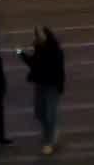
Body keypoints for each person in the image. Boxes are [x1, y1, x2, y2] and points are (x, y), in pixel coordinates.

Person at [20, 27, 65, 155]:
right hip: (40, 85)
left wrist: (60, 86)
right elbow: (33, 63)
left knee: (50, 114)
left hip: (52, 86)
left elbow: (60, 70)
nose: (35, 39)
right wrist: (21, 53)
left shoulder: (55, 51)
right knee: (39, 113)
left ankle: (48, 142)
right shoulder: (38, 49)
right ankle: (51, 131)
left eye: (38, 36)